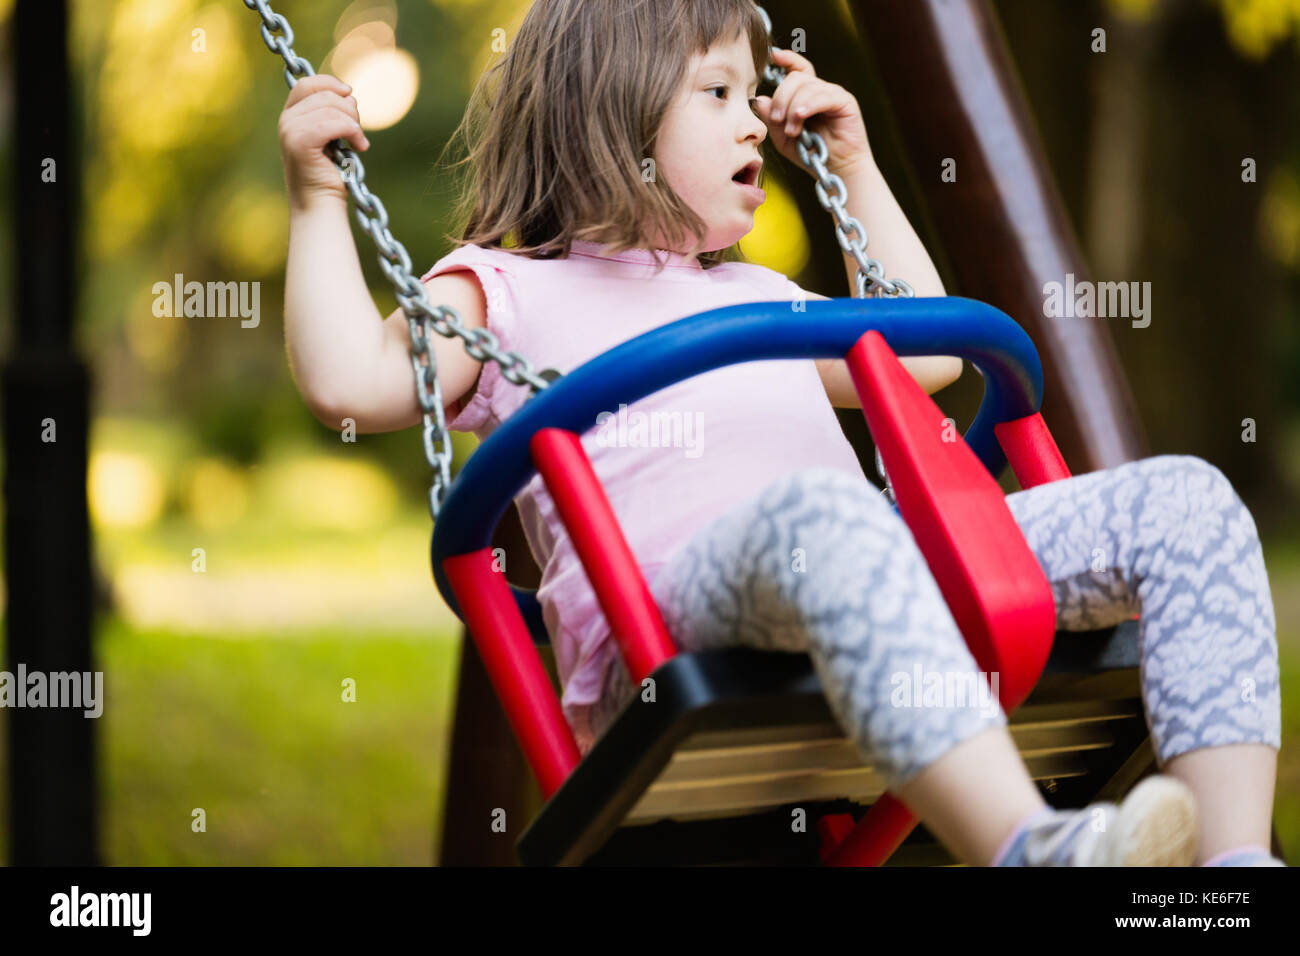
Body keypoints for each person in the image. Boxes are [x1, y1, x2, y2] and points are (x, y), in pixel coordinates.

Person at [276, 0, 1283, 866]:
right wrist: (318, 198)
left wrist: (854, 163)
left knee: (1186, 502)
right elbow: (348, 383)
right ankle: (1027, 845)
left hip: (856, 577)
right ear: (606, 108)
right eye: (716, 93)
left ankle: (1230, 865)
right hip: (673, 622)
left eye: (753, 90)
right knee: (823, 513)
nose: (755, 115)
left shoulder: (756, 292)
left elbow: (922, 351)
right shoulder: (500, 289)